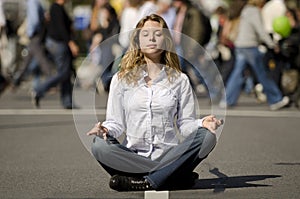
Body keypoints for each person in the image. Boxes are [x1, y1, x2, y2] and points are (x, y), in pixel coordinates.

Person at [86, 14, 223, 191]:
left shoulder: (180, 80)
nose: (151, 38)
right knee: (99, 145)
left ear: (165, 40)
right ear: (137, 40)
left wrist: (202, 123)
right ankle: (174, 177)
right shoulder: (121, 79)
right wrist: (105, 129)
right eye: (145, 34)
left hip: (169, 156)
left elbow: (185, 125)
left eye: (157, 34)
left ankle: (146, 181)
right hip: (132, 158)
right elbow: (116, 123)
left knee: (207, 136)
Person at [219, 0, 289, 111]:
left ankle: (227, 100)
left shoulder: (246, 10)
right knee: (263, 73)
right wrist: (271, 44)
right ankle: (276, 99)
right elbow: (260, 30)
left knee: (237, 73)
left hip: (241, 45)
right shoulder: (254, 11)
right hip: (250, 46)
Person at [33, 0, 79, 109]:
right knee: (63, 73)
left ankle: (67, 101)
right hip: (58, 43)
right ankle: (39, 89)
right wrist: (71, 43)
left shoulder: (58, 8)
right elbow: (61, 29)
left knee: (66, 72)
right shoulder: (56, 8)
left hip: (58, 43)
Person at [12, 0, 53, 89]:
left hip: (35, 35)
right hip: (38, 34)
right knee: (28, 59)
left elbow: (34, 20)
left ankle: (51, 80)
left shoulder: (32, 2)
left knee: (41, 59)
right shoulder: (38, 2)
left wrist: (30, 32)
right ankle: (17, 79)